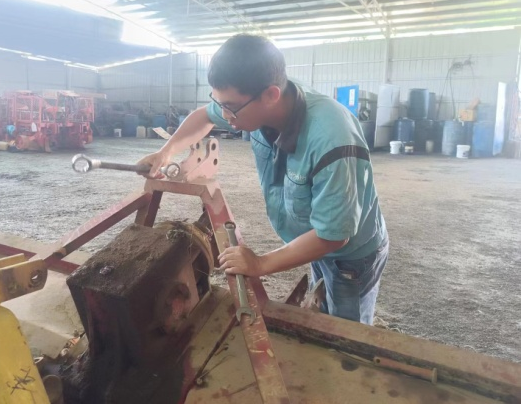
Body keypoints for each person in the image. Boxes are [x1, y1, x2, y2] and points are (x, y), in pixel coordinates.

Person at [138, 34, 388, 325]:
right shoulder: (255, 101)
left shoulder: (332, 140)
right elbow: (203, 116)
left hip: (351, 257)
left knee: (346, 332)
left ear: (270, 95)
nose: (225, 115)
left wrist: (260, 264)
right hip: (316, 237)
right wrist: (165, 153)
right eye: (220, 102)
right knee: (322, 304)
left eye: (230, 107)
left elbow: (333, 235)